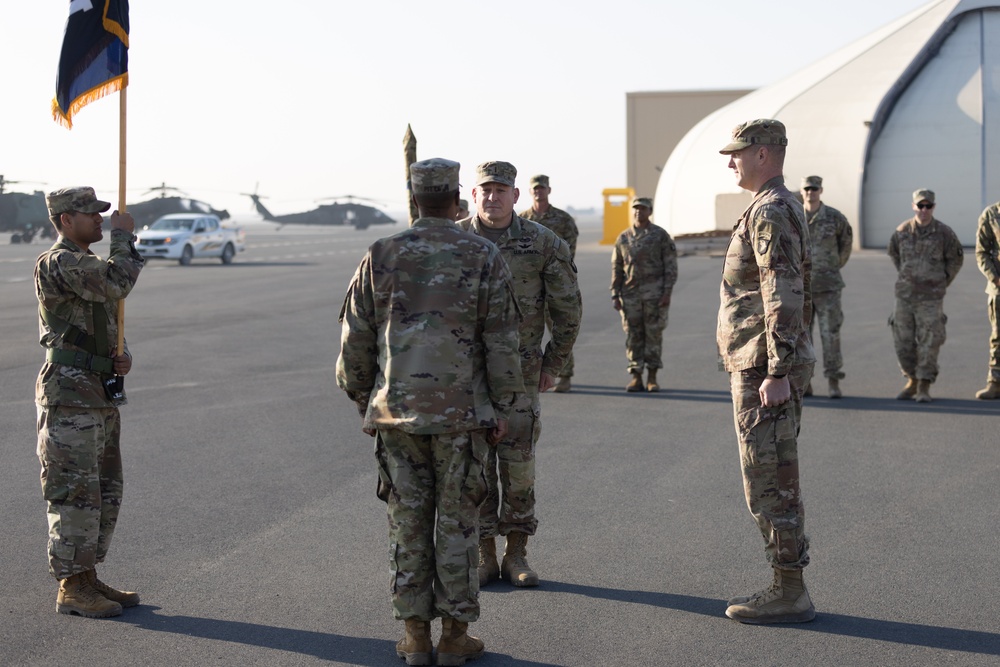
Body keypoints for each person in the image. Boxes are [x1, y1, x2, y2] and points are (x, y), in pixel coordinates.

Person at [337, 158, 524, 666]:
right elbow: (503, 340)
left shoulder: (381, 253)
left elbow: (355, 342)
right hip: (463, 419)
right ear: (457, 195)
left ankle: (415, 635)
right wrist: (504, 407)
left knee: (408, 524)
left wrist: (365, 399)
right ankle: (454, 636)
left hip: (398, 416)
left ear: (414, 195)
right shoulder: (482, 253)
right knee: (458, 525)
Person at [460, 161, 581, 588]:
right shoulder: (456, 240)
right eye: (485, 189)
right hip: (467, 380)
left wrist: (554, 364)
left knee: (518, 468)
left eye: (501, 190)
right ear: (474, 195)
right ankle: (484, 555)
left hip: (521, 376)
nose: (493, 197)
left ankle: (517, 554)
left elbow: (568, 308)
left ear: (516, 196)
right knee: (474, 471)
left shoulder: (542, 242)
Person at [717, 119, 816, 624]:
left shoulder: (773, 210)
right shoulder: (771, 206)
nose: (730, 161)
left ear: (762, 154)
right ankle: (787, 584)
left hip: (764, 367)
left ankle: (789, 591)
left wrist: (776, 369)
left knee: (771, 482)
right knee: (772, 478)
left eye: (736, 153)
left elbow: (783, 291)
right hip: (760, 362)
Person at [35, 186, 144, 619]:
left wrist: (121, 356)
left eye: (103, 215)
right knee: (73, 493)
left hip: (97, 393)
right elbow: (117, 283)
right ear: (65, 220)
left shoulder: (86, 265)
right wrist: (123, 237)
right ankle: (70, 587)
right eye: (90, 214)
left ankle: (87, 576)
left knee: (102, 490)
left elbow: (102, 314)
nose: (100, 219)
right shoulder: (59, 262)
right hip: (69, 395)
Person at [888, 189, 964, 403]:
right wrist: (907, 278)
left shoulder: (944, 233)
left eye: (928, 206)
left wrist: (941, 281)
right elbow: (895, 255)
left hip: (931, 298)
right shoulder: (902, 231)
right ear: (913, 206)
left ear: (933, 207)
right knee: (902, 341)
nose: (924, 210)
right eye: (920, 206)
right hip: (904, 296)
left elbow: (955, 260)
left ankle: (924, 384)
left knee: (930, 341)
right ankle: (911, 379)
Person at [519, 174, 580, 392]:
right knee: (525, 334)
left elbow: (569, 249)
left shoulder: (563, 220)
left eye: (542, 188)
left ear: (549, 191)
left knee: (560, 330)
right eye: (535, 189)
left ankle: (564, 374)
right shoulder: (521, 219)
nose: (539, 192)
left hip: (554, 285)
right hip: (529, 288)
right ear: (529, 192)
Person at [610, 197, 678, 392]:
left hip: (654, 295)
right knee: (633, 336)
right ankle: (636, 376)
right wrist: (615, 294)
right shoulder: (623, 238)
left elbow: (670, 266)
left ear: (650, 211)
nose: (639, 212)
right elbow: (616, 267)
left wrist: (667, 292)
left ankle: (652, 377)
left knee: (653, 335)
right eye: (636, 208)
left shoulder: (660, 236)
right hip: (630, 296)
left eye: (643, 208)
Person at [800, 175, 852, 398]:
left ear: (821, 190)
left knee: (830, 335)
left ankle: (833, 381)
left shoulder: (834, 217)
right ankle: (805, 382)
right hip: (801, 289)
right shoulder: (794, 216)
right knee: (802, 338)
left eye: (815, 188)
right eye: (807, 189)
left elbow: (846, 243)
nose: (811, 192)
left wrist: (832, 266)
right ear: (802, 191)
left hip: (829, 287)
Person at [974, 200, 1000, 399]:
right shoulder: (991, 214)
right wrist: (996, 278)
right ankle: (995, 383)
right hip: (999, 289)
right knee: (998, 338)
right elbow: (982, 252)